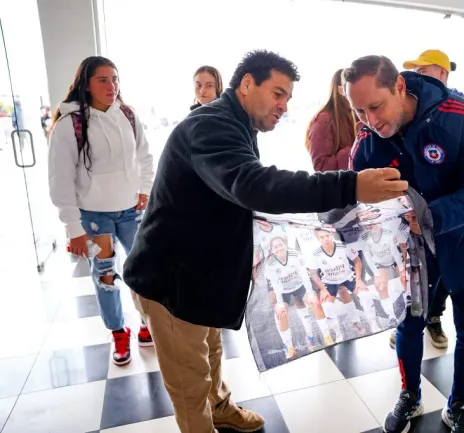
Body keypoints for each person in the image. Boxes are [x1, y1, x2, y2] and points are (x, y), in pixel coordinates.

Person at [122, 50, 408, 433]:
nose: (283, 106)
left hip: (201, 277)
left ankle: (220, 407)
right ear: (246, 84)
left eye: (287, 98)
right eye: (277, 93)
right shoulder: (209, 126)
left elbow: (235, 195)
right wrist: (351, 185)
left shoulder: (236, 126)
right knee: (190, 380)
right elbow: (254, 185)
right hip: (172, 283)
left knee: (211, 351)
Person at [345, 55, 464, 433]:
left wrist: (431, 213)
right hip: (410, 257)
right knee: (409, 327)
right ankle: (410, 396)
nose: (370, 121)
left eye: (376, 107)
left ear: (399, 86)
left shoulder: (460, 118)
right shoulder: (367, 141)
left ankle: (459, 405)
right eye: (360, 112)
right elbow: (351, 200)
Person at [47, 56, 155, 366]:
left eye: (115, 79)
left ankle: (146, 323)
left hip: (131, 211)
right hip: (95, 218)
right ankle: (118, 332)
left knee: (143, 270)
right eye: (103, 80)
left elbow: (145, 157)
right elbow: (60, 180)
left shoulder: (128, 115)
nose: (112, 86)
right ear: (86, 84)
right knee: (106, 275)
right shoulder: (69, 125)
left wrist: (144, 189)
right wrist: (73, 228)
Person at [398, 48, 464, 350]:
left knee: (443, 275)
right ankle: (409, 324)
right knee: (416, 277)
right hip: (415, 219)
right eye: (415, 71)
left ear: (442, 74)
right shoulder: (409, 111)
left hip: (448, 218)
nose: (416, 77)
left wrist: (437, 213)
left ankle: (434, 318)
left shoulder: (462, 111)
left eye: (423, 70)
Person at [305, 68, 357, 171]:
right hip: (341, 184)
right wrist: (354, 152)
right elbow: (321, 167)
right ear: (341, 90)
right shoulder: (323, 120)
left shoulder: (361, 115)